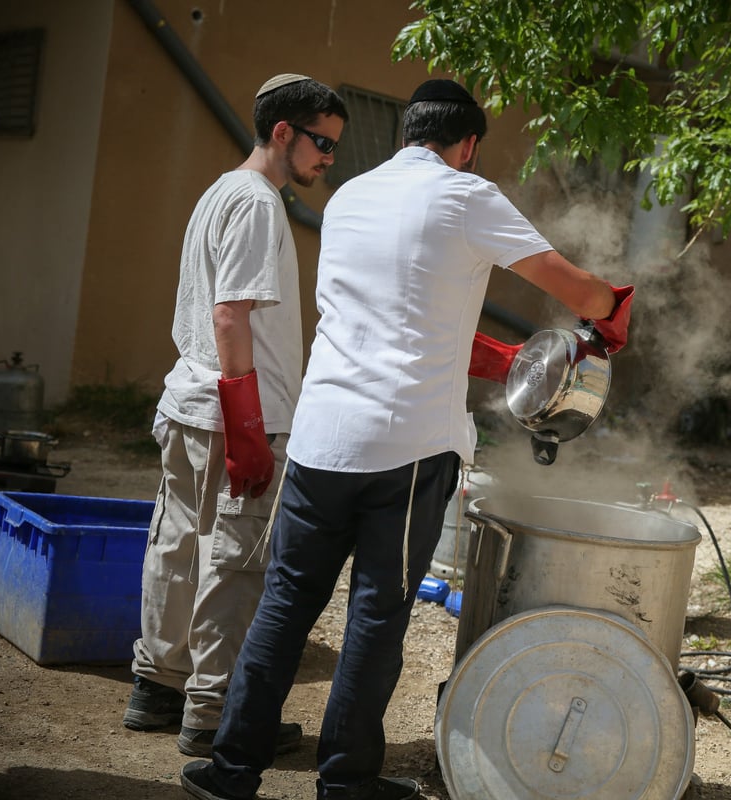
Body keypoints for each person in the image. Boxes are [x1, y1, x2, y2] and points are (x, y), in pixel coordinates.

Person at [179, 78, 633, 800]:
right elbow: (578, 291)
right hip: (407, 452)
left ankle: (230, 772)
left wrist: (496, 357)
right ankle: (346, 782)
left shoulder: (350, 196)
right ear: (468, 146)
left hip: (319, 439)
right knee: (376, 615)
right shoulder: (467, 196)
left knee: (285, 605)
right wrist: (614, 311)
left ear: (405, 135)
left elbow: (402, 313)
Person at [123, 74, 349, 759]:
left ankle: (155, 686)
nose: (327, 160)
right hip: (231, 414)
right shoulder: (257, 203)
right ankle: (212, 711)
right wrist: (249, 428)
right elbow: (229, 317)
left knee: (178, 546)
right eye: (321, 144)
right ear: (283, 132)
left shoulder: (220, 190)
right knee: (235, 561)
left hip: (190, 404)